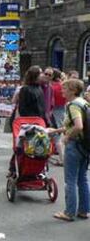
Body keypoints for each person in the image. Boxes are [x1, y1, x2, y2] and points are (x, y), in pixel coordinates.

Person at [51, 79, 89, 221]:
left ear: (73, 90)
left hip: (75, 146)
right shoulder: (84, 102)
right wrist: (56, 130)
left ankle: (69, 212)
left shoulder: (73, 105)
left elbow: (78, 126)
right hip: (85, 146)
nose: (62, 91)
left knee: (70, 180)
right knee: (82, 178)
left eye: (65, 88)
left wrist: (66, 137)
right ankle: (84, 211)